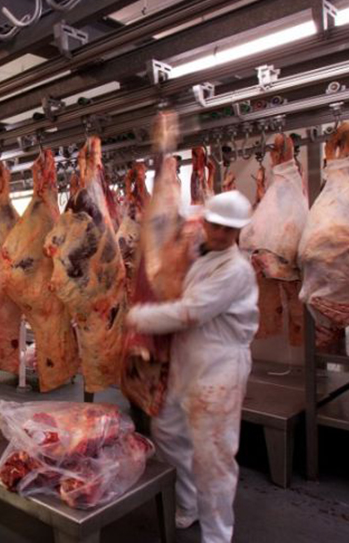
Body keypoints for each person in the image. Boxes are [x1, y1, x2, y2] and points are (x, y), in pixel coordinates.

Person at [125, 191, 258, 543]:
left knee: (213, 454)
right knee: (168, 431)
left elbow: (191, 312)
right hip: (185, 358)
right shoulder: (200, 253)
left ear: (238, 232)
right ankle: (188, 505)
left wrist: (137, 317)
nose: (220, 234)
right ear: (206, 223)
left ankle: (217, 534)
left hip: (220, 366)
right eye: (215, 225)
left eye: (229, 230)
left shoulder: (235, 270)